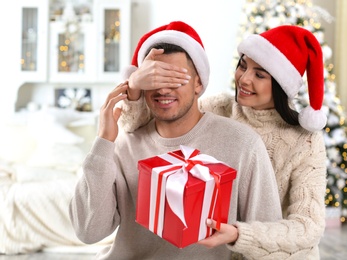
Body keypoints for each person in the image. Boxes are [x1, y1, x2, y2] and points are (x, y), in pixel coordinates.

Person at [69, 21, 282, 260]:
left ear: (198, 83)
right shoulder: (122, 146)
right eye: (153, 79)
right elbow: (88, 231)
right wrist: (103, 141)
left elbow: (269, 238)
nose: (163, 90)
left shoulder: (243, 144)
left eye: (175, 79)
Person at [120, 25, 328, 259]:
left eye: (259, 75)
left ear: (281, 84)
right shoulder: (217, 109)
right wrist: (136, 85)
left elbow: (308, 226)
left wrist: (240, 235)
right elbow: (139, 125)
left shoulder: (305, 141)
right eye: (243, 65)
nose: (244, 79)